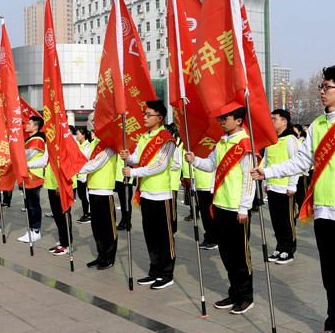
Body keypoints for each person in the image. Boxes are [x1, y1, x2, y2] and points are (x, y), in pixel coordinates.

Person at [251, 65, 335, 333]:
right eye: (321, 85)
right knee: (330, 276)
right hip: (323, 212)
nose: (321, 90)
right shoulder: (318, 124)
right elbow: (301, 161)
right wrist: (266, 172)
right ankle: (334, 327)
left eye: (326, 86)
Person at [187, 107, 256, 314]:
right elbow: (210, 165)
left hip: (237, 209)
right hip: (220, 205)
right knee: (226, 254)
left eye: (225, 118)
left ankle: (246, 297)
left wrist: (244, 207)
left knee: (240, 256)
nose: (222, 122)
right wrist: (194, 160)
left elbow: (249, 178)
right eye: (221, 119)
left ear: (238, 120)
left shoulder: (245, 144)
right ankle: (234, 292)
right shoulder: (222, 141)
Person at [121, 101, 178, 289]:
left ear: (159, 118)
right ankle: (154, 271)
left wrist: (134, 172)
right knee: (151, 236)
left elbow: (159, 165)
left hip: (162, 195)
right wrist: (128, 157)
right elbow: (138, 158)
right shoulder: (144, 136)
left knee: (164, 237)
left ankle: (166, 274)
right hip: (146, 194)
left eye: (148, 114)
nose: (144, 117)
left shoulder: (166, 139)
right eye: (144, 114)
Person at [262, 109, 299, 265]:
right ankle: (279, 247)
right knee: (276, 221)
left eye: (274, 119)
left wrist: (292, 185)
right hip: (272, 187)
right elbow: (265, 162)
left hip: (285, 189)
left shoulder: (290, 139)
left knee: (287, 221)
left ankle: (288, 250)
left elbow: (296, 162)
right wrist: (265, 182)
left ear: (284, 121)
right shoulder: (271, 140)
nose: (272, 122)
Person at [78, 133, 119, 270]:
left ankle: (109, 257)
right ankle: (101, 255)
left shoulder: (110, 143)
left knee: (108, 227)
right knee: (97, 227)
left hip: (105, 189)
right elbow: (85, 159)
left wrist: (75, 168)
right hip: (93, 188)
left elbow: (97, 163)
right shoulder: (93, 143)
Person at [18, 116, 47, 243]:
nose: (26, 125)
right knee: (28, 204)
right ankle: (30, 229)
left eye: (29, 124)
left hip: (34, 175)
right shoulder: (29, 139)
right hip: (27, 175)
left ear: (36, 127)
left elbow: (26, 156)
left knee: (33, 205)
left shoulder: (37, 140)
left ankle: (36, 230)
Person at [74, 128, 93, 223]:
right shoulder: (78, 145)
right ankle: (85, 213)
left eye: (78, 134)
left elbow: (83, 158)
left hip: (84, 175)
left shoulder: (87, 146)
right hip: (78, 175)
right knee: (81, 196)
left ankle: (88, 214)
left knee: (86, 196)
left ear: (83, 135)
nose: (76, 136)